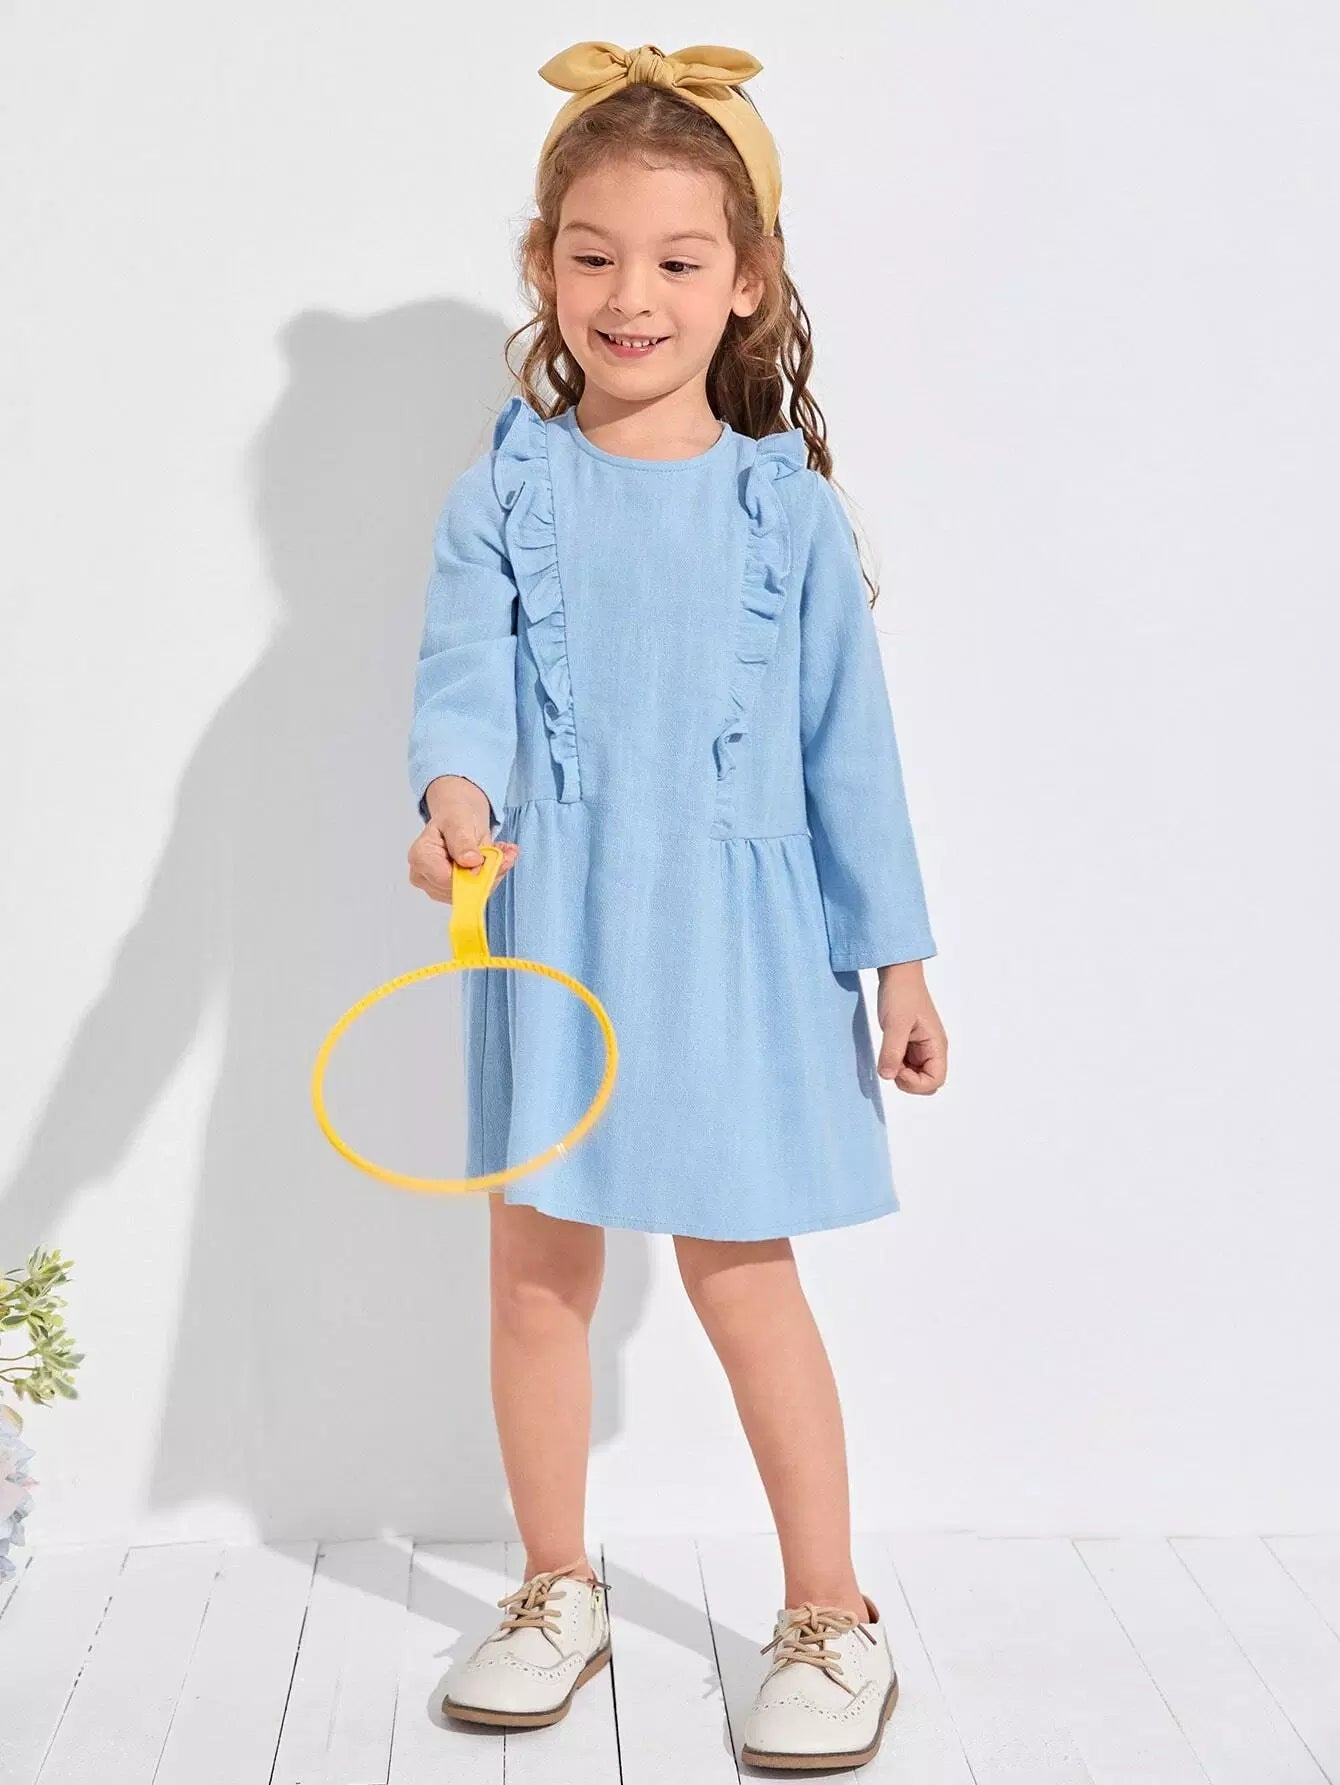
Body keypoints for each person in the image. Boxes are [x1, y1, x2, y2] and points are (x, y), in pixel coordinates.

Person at [405, 39, 948, 1771]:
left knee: (741, 1273)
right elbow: (460, 687)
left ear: (748, 280)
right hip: (555, 929)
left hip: (737, 949)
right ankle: (553, 1584)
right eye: (592, 254)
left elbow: (851, 754)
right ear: (542, 263)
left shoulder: (787, 512)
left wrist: (899, 962)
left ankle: (830, 1610)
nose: (629, 296)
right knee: (532, 1273)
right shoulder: (504, 492)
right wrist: (453, 803)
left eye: (676, 259)